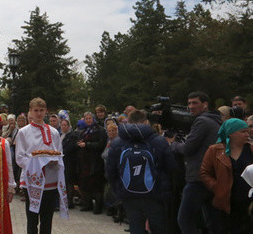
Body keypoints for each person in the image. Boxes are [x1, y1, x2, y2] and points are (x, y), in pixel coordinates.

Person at [106, 110, 176, 234]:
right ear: (146, 122)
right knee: (159, 228)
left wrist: (119, 189)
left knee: (135, 227)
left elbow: (111, 170)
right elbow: (170, 169)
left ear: (129, 121)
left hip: (129, 193)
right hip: (155, 194)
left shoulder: (118, 142)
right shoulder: (159, 141)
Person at [167, 91, 222, 234]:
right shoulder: (216, 120)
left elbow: (188, 148)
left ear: (205, 105)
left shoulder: (202, 121)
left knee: (184, 219)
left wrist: (172, 145)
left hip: (198, 178)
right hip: (212, 176)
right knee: (212, 221)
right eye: (189, 103)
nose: (191, 106)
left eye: (195, 103)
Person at [16, 99, 66, 234]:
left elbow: (59, 153)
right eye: (36, 110)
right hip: (32, 181)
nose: (39, 113)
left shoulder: (54, 132)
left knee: (47, 219)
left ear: (46, 112)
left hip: (51, 181)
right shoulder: (23, 132)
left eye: (41, 110)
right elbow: (20, 158)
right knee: (32, 219)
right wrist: (38, 163)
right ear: (30, 112)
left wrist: (55, 161)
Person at [200, 118, 253, 234]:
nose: (247, 134)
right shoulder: (215, 150)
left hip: (247, 202)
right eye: (243, 131)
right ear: (231, 133)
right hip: (225, 203)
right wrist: (217, 187)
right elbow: (204, 173)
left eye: (247, 131)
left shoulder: (250, 148)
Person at [77, 111, 107, 214]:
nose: (88, 120)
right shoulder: (83, 131)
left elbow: (101, 144)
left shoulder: (100, 130)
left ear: (93, 119)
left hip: (96, 161)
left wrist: (87, 144)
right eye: (86, 119)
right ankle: (87, 204)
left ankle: (98, 207)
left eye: (90, 118)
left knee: (96, 185)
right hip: (85, 161)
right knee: (85, 183)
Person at [60, 118, 79, 208]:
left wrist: (60, 153)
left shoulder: (72, 136)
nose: (63, 127)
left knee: (69, 182)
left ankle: (69, 202)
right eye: (62, 125)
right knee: (65, 182)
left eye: (65, 125)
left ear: (69, 126)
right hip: (62, 161)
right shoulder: (61, 135)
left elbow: (70, 148)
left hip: (69, 161)